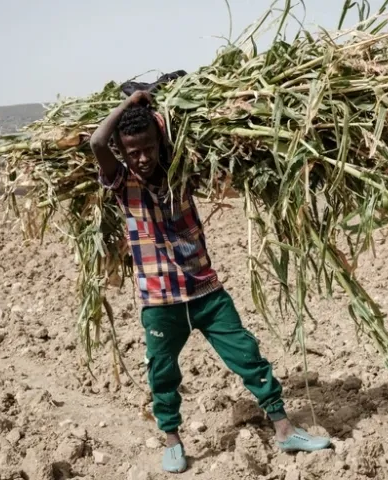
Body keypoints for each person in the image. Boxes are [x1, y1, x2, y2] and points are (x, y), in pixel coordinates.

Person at [90, 90, 331, 474]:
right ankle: (172, 440)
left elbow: (175, 126)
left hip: (206, 292)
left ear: (159, 143)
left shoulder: (178, 169)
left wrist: (153, 111)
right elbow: (97, 141)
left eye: (148, 148)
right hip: (161, 302)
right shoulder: (122, 183)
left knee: (248, 356)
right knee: (162, 374)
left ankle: (284, 429)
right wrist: (130, 103)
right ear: (122, 151)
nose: (143, 157)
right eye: (133, 151)